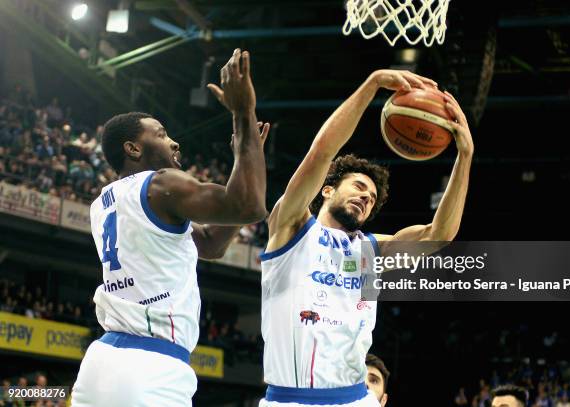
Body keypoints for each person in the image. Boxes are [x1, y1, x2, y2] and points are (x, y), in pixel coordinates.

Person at [259, 68, 473, 406]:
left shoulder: (370, 249)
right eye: (359, 187)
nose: (365, 197)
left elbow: (439, 234)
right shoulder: (292, 226)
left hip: (354, 398)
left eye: (372, 197)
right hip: (290, 398)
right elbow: (322, 152)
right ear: (326, 189)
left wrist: (465, 156)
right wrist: (372, 84)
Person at [71, 48, 268, 407]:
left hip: (102, 363)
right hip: (151, 366)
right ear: (132, 148)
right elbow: (249, 206)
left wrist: (247, 157)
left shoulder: (102, 203)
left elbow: (209, 245)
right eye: (161, 134)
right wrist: (243, 116)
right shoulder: (161, 184)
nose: (173, 141)